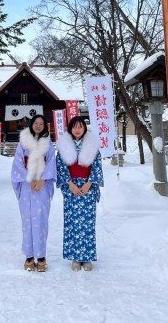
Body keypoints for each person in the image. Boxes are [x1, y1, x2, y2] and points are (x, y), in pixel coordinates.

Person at [56, 116, 103, 271]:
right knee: (72, 223)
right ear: (70, 129)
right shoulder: (64, 146)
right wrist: (70, 184)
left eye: (80, 126)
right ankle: (75, 257)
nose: (77, 130)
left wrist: (89, 183)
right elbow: (61, 167)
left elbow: (97, 166)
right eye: (74, 127)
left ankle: (87, 257)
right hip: (71, 189)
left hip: (88, 188)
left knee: (88, 223)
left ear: (84, 128)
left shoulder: (92, 145)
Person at [10, 115, 56, 272]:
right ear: (31, 124)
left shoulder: (48, 143)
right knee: (27, 221)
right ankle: (29, 256)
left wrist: (43, 180)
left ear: (45, 126)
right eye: (36, 123)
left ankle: (41, 256)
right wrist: (29, 179)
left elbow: (51, 162)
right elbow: (18, 164)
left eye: (41, 123)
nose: (38, 126)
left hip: (42, 186)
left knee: (41, 221)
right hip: (27, 186)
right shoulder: (23, 142)